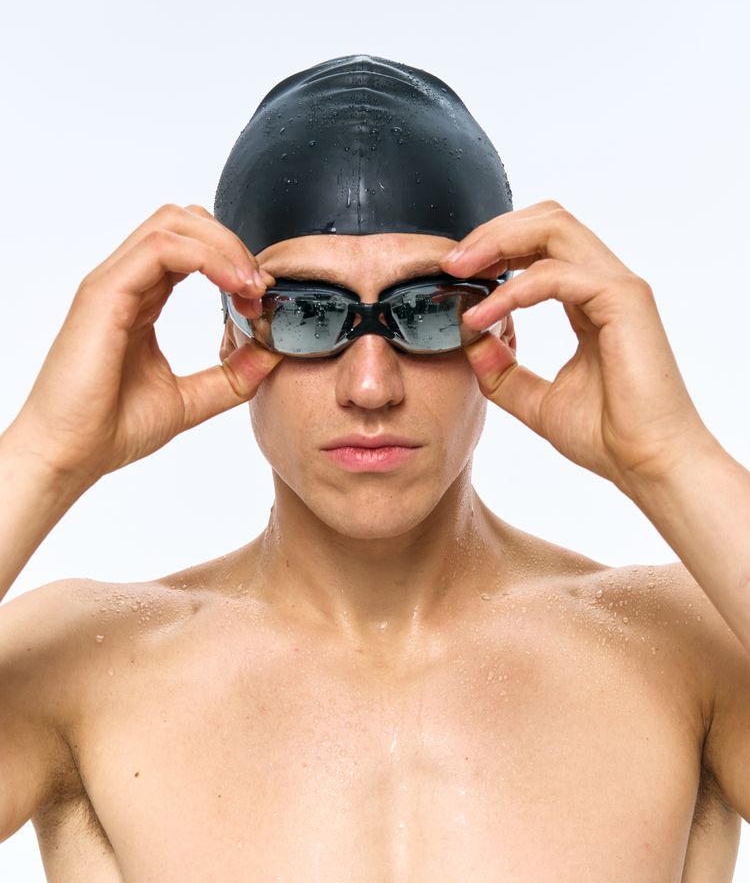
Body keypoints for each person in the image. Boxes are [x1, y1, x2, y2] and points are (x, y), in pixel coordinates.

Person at [1, 54, 749, 882]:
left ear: (500, 328)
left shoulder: (688, 650)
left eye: (426, 312)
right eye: (307, 315)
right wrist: (45, 453)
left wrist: (670, 459)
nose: (370, 387)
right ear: (233, 337)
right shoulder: (81, 667)